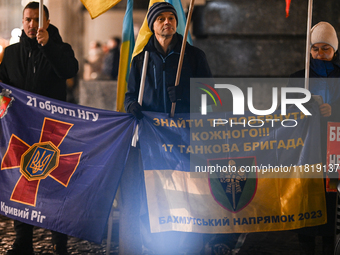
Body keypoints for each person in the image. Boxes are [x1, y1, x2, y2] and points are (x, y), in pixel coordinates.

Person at [120, 2, 212, 254]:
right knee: (153, 199)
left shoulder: (193, 56)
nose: (167, 22)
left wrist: (185, 96)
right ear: (152, 24)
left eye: (171, 17)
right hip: (151, 143)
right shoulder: (140, 60)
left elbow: (211, 99)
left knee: (184, 198)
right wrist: (131, 107)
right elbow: (130, 95)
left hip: (184, 141)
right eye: (160, 18)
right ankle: (152, 247)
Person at [0, 2, 79, 255]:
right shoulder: (11, 54)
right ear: (23, 22)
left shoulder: (61, 48)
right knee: (21, 185)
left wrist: (48, 47)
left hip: (52, 133)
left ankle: (60, 243)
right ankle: (23, 242)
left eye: (37, 19)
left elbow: (69, 70)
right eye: (28, 20)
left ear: (46, 21)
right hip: (22, 131)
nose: (32, 25)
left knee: (55, 188)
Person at [289, 21, 340, 255]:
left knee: (333, 200)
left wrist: (334, 111)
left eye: (325, 48)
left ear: (334, 50)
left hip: (334, 151)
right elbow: (286, 114)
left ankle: (331, 246)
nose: (319, 53)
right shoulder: (299, 78)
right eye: (315, 48)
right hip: (306, 150)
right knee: (306, 199)